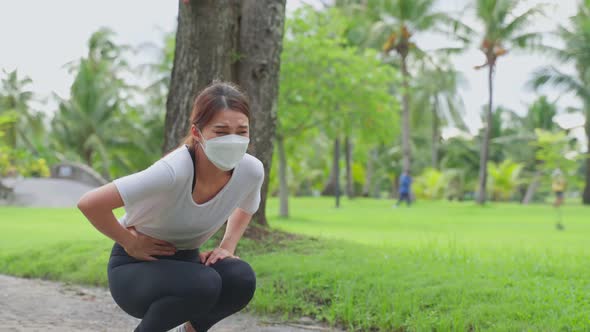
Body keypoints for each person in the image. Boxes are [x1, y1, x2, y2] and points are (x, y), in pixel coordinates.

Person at [77, 82, 265, 332]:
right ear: (197, 133)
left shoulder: (251, 170)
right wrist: (130, 242)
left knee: (240, 278)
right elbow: (90, 203)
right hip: (135, 267)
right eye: (221, 131)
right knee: (204, 283)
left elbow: (247, 207)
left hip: (188, 264)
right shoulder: (173, 171)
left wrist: (226, 246)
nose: (232, 140)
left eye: (241, 131)